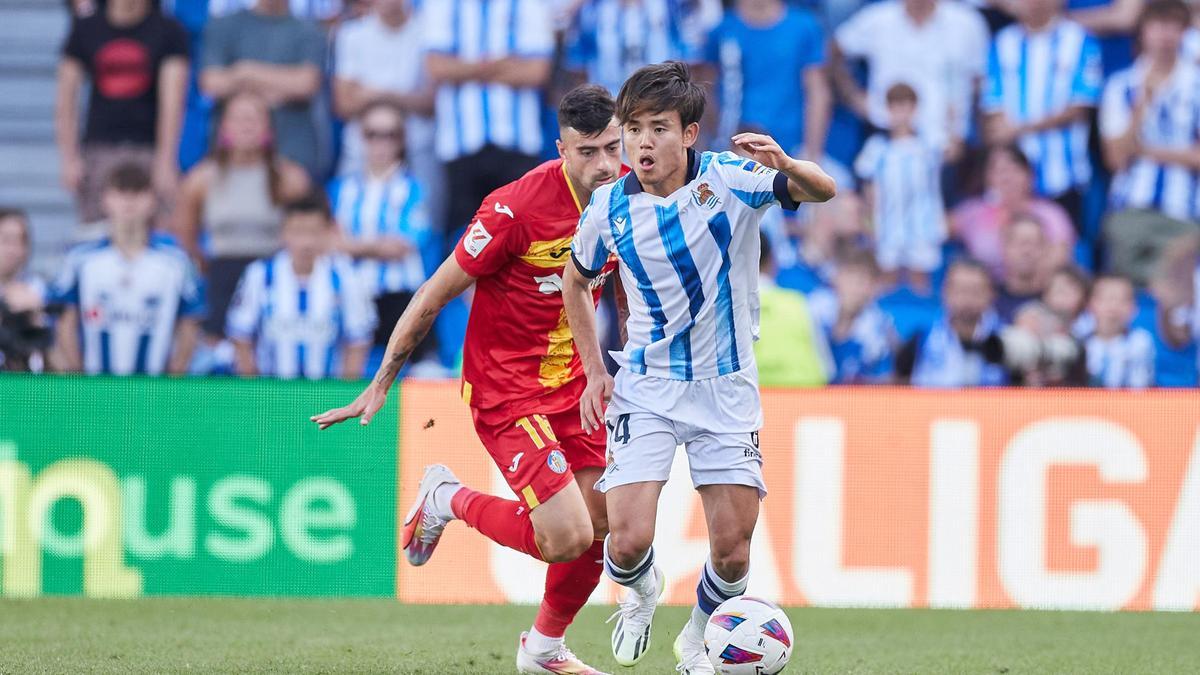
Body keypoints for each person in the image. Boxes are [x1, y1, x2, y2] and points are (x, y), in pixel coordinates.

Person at [311, 85, 626, 675]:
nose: (605, 166)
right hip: (508, 390)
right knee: (565, 537)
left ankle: (543, 651)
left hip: (578, 384)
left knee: (602, 522)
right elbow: (433, 294)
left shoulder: (628, 193)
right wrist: (381, 382)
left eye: (613, 147)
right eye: (588, 152)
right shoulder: (514, 209)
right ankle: (445, 497)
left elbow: (631, 276)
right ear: (561, 148)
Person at [561, 62, 835, 673]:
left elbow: (824, 191)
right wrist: (593, 371)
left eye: (657, 128)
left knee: (734, 553)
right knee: (625, 542)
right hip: (647, 387)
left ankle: (699, 633)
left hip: (726, 388)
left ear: (689, 134)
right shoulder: (607, 207)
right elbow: (575, 282)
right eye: (632, 129)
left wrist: (787, 166)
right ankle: (641, 592)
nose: (641, 143)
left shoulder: (731, 179)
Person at [175, 91, 311, 345]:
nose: (246, 125)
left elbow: (312, 231)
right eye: (238, 118)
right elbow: (186, 239)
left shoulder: (291, 179)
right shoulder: (201, 179)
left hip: (273, 279)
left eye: (253, 118)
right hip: (221, 279)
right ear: (224, 127)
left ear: (269, 127)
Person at [48, 162, 204, 376]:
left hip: (155, 391)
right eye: (121, 192)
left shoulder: (177, 262)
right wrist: (77, 376)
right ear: (105, 200)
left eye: (138, 193)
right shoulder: (79, 259)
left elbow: (190, 322)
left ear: (152, 201)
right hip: (95, 389)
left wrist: (176, 375)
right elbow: (65, 320)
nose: (129, 201)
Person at [425, 0, 554, 237]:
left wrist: (466, 67)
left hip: (517, 144)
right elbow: (436, 67)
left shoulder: (529, 5)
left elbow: (537, 71)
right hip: (460, 145)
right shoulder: (443, 5)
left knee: (520, 238)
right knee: (462, 240)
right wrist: (500, 64)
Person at [55, 0, 189, 228]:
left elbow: (173, 101)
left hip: (149, 148)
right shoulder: (85, 28)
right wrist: (69, 158)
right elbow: (66, 98)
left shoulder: (169, 31)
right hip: (99, 149)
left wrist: (166, 160)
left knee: (155, 235)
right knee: (96, 233)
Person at [1100, 0, 1200, 286]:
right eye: (1157, 26)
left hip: (1185, 212)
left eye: (1173, 26)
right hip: (1130, 209)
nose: (1164, 35)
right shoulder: (1121, 86)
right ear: (1142, 32)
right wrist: (1142, 105)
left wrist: (1146, 151)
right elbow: (1115, 159)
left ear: (1184, 32)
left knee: (1177, 283)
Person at [227, 192, 376, 380]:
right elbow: (241, 338)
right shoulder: (259, 275)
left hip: (328, 395)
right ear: (283, 233)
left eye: (314, 232)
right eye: (298, 232)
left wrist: (345, 398)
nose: (306, 242)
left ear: (328, 232)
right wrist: (253, 390)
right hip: (269, 395)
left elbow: (358, 342)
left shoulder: (347, 277)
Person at [328, 101, 435, 361]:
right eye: (372, 134)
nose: (381, 143)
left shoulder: (414, 189)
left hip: (398, 296)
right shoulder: (341, 189)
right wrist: (378, 246)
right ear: (362, 138)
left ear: (401, 141)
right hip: (349, 294)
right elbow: (328, 242)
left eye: (389, 135)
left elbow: (403, 245)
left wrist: (352, 245)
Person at [983, 0, 1103, 223]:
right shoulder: (1002, 43)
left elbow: (1080, 107)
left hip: (1065, 175)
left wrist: (1020, 128)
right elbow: (993, 107)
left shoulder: (1079, 40)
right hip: (1012, 181)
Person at [332, 0, 440, 231]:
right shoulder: (352, 33)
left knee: (428, 225)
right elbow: (344, 104)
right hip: (362, 146)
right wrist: (403, 97)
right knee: (344, 223)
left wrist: (376, 93)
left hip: (418, 147)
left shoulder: (428, 30)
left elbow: (432, 102)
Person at [832, 0, 989, 154]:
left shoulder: (967, 22)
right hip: (888, 138)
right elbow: (835, 50)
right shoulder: (877, 19)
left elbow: (980, 82)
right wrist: (854, 98)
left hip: (946, 144)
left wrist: (960, 132)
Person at [200, 0, 326, 179]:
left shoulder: (309, 31)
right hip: (231, 159)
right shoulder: (225, 25)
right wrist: (280, 87)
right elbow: (211, 83)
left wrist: (246, 71)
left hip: (291, 156)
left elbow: (306, 83)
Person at [703, 0, 830, 160]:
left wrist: (812, 153)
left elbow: (817, 92)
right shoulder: (722, 30)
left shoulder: (804, 27)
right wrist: (718, 139)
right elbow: (707, 89)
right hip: (734, 148)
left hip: (791, 147)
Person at [854, 83, 946, 293]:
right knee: (886, 275)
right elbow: (868, 186)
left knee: (920, 277)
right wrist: (869, 220)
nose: (901, 113)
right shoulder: (877, 147)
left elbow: (951, 153)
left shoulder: (928, 143)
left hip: (922, 222)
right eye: (895, 107)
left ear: (914, 109)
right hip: (888, 221)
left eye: (905, 106)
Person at [950, 144, 1076, 279]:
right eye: (999, 171)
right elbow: (937, 229)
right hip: (984, 294)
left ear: (1029, 174)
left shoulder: (1050, 214)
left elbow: (1059, 258)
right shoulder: (972, 212)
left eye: (1013, 169)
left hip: (1036, 290)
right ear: (987, 177)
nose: (1007, 177)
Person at [895, 259, 1009, 387]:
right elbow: (899, 383)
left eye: (975, 291)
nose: (967, 298)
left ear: (990, 293)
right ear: (946, 291)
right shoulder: (922, 339)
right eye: (961, 290)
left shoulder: (1007, 339)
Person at [564, 0, 698, 96]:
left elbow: (692, 67)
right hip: (609, 109)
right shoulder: (591, 9)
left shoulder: (672, 6)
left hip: (662, 104)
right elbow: (578, 71)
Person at [808, 249, 898, 384]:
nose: (854, 289)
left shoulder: (879, 330)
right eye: (849, 278)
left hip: (854, 401)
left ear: (873, 289)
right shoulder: (812, 309)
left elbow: (883, 385)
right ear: (837, 278)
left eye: (861, 282)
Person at [754, 238, 832, 387]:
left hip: (753, 400)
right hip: (803, 398)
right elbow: (826, 368)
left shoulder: (726, 309)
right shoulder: (799, 303)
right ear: (772, 262)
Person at [0, 210, 51, 372]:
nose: (14, 249)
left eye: (21, 240)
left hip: (26, 390)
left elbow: (60, 366)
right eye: (6, 240)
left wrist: (36, 317)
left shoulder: (38, 290)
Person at [1083, 274, 1155, 387]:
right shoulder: (1079, 341)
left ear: (1134, 307)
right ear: (1090, 304)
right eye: (1107, 299)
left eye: (1122, 300)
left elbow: (1139, 387)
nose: (1113, 307)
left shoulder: (1140, 342)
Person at [995, 214, 1052, 323]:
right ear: (1004, 248)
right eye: (1020, 243)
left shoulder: (1056, 302)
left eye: (1034, 244)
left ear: (1046, 249)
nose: (1026, 251)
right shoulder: (989, 300)